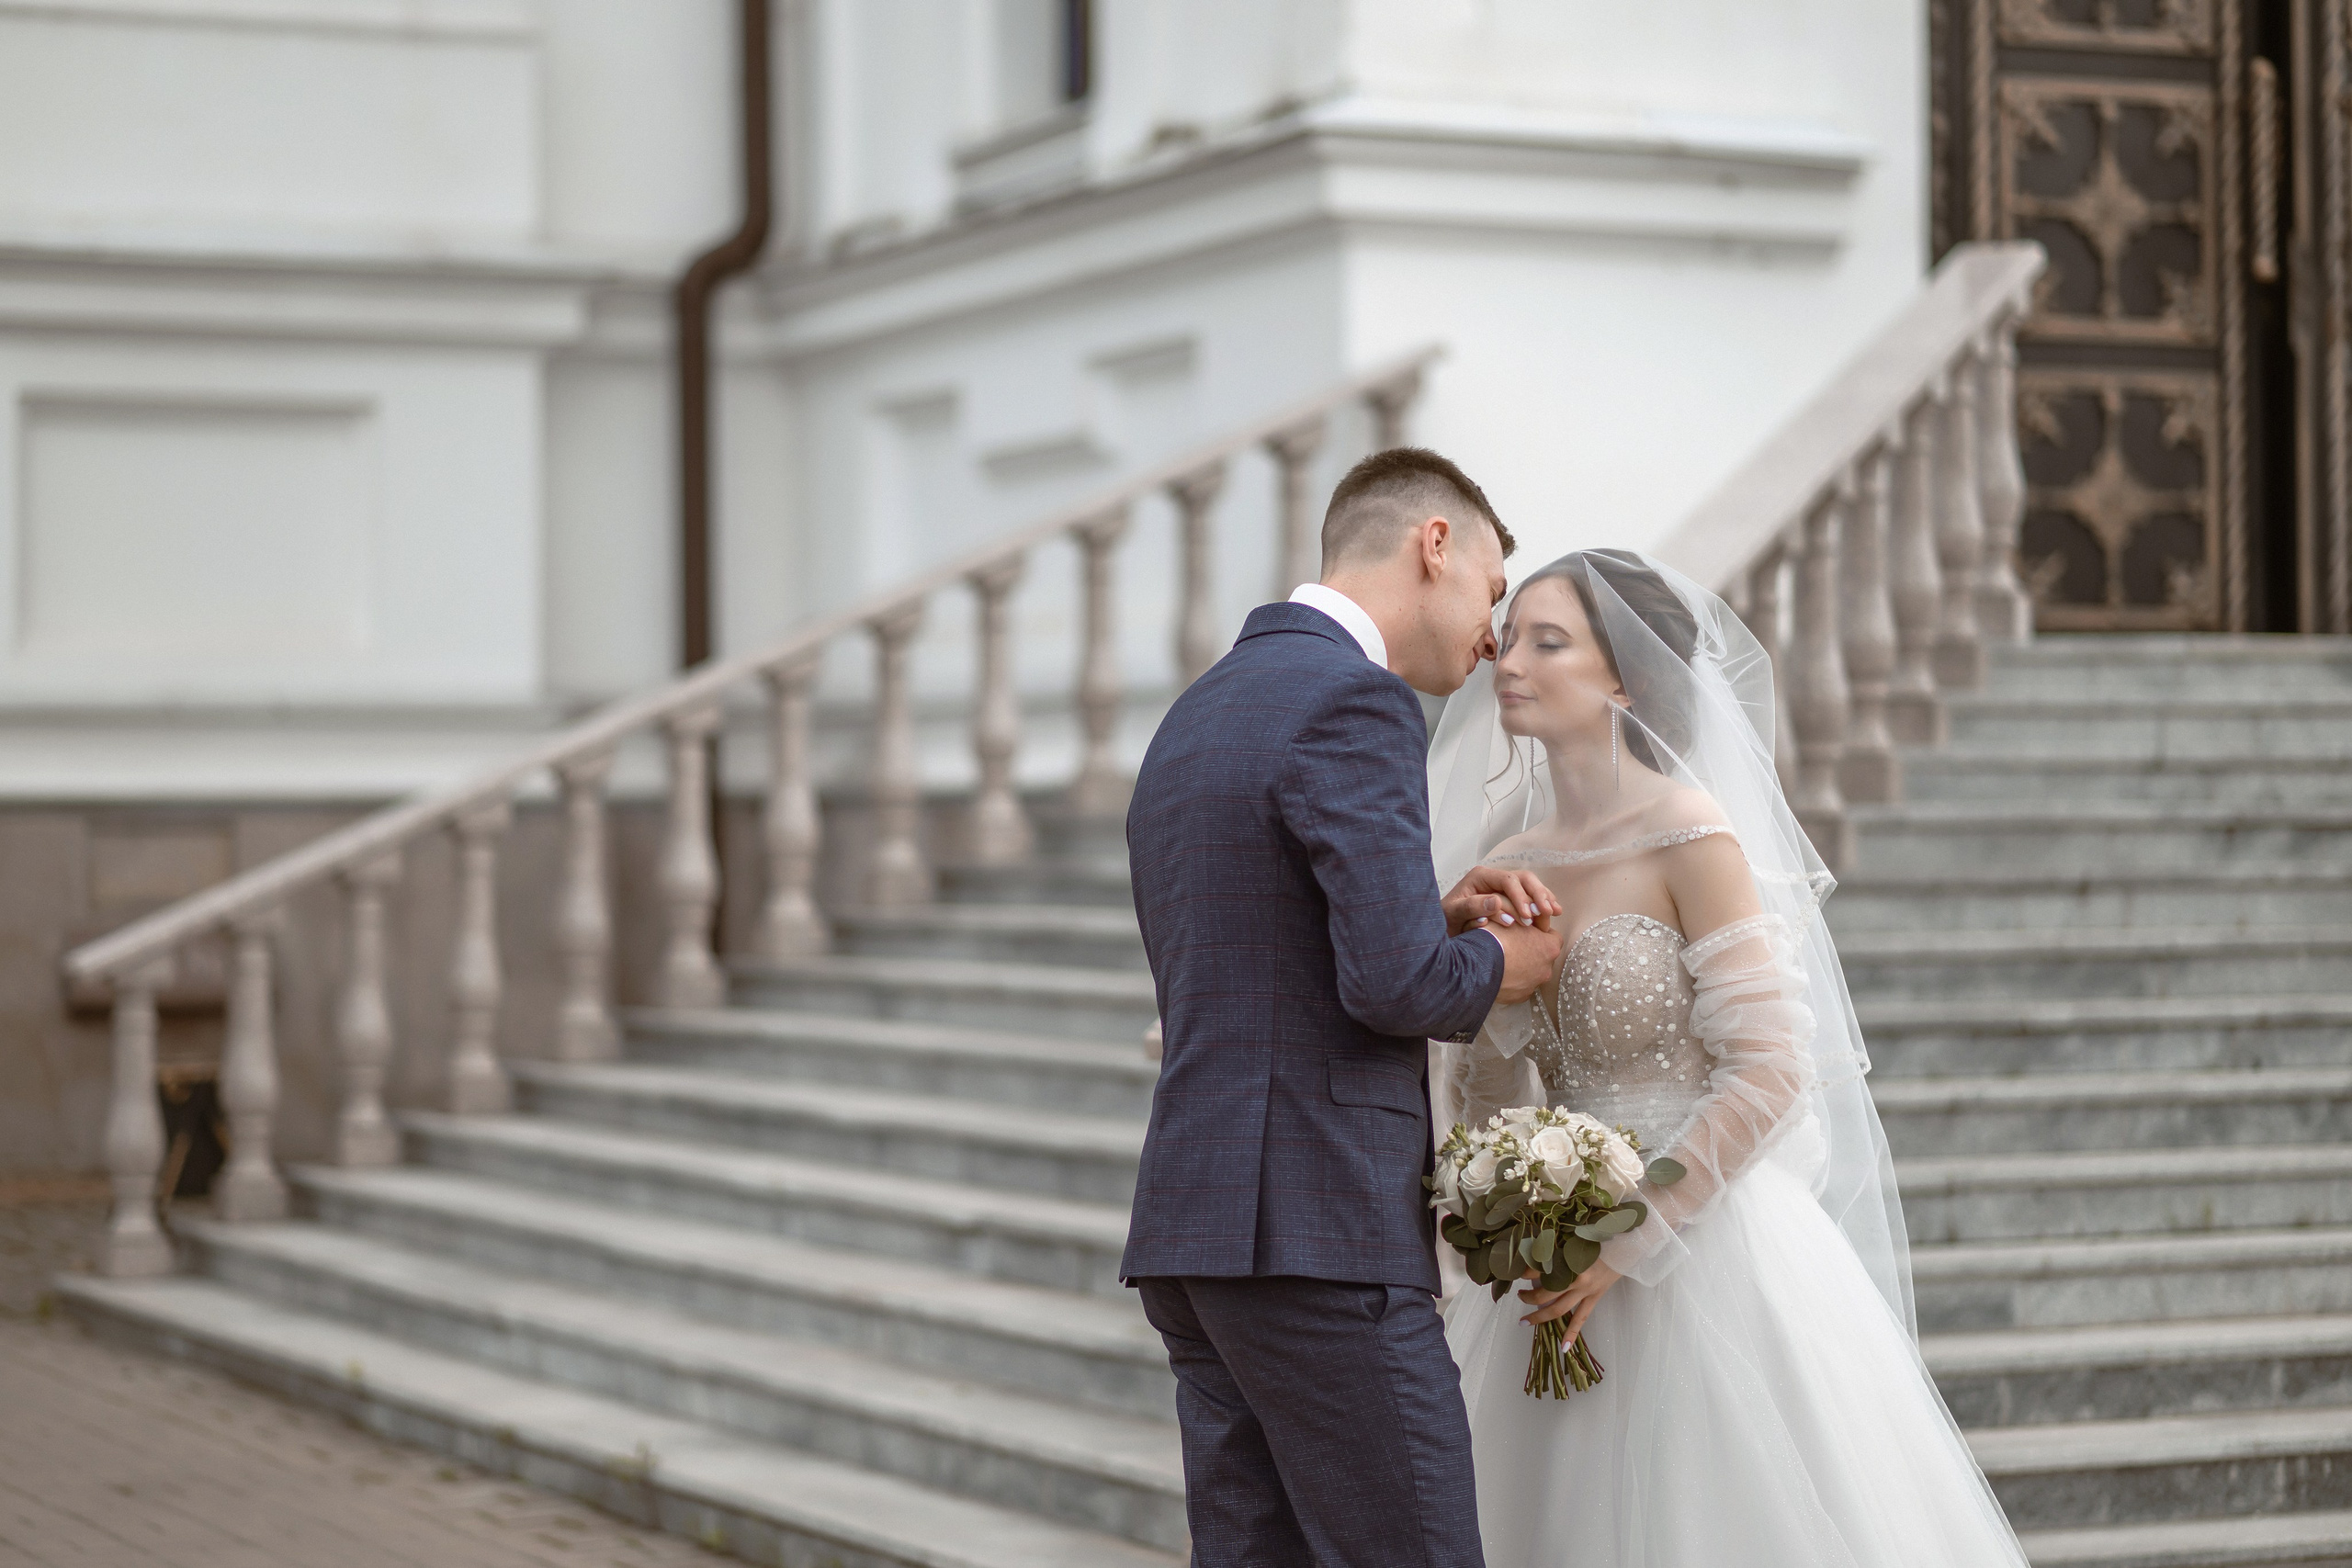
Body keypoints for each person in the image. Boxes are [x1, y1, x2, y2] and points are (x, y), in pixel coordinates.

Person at [1429, 549, 2030, 1568]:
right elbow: (1489, 1084)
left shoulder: (1688, 833)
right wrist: (1508, 1199)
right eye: (1512, 635)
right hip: (1548, 1262)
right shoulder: (1507, 858)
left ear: (1625, 680)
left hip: (1700, 1246)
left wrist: (1627, 1236)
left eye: (1549, 641)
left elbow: (1770, 1066)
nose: (1509, 662)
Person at [1123, 447, 1561, 1568]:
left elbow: (1258, 949)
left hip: (1196, 1227)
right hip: (1315, 1231)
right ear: (1433, 546)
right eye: (1491, 593)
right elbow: (1395, 987)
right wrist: (1510, 962)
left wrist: (1427, 914)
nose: (1491, 638)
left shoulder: (1197, 710)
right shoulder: (1356, 701)